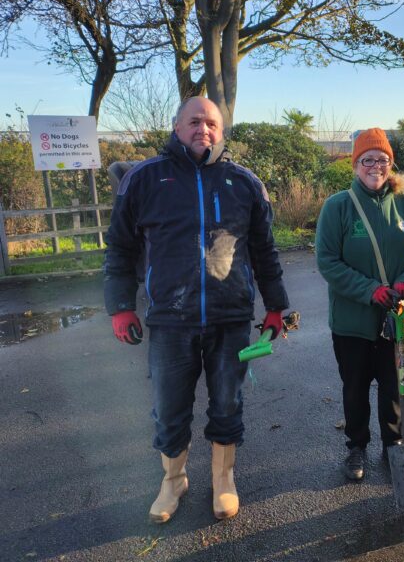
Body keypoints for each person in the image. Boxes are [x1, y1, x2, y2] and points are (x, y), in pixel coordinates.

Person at [104, 96, 289, 522]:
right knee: (169, 408)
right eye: (193, 121)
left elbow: (264, 251)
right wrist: (120, 306)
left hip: (231, 320)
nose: (202, 128)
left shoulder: (244, 182)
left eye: (211, 123)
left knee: (228, 403)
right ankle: (174, 480)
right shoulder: (144, 179)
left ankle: (224, 480)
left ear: (222, 132)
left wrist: (276, 306)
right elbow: (120, 247)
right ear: (177, 126)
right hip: (170, 320)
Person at [315, 128, 404, 481]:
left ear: (390, 163)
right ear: (355, 164)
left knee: (394, 384)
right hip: (351, 320)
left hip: (398, 318)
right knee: (354, 387)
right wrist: (370, 290)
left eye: (382, 159)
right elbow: (327, 261)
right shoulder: (338, 207)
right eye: (367, 159)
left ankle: (395, 445)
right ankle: (356, 446)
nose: (375, 166)